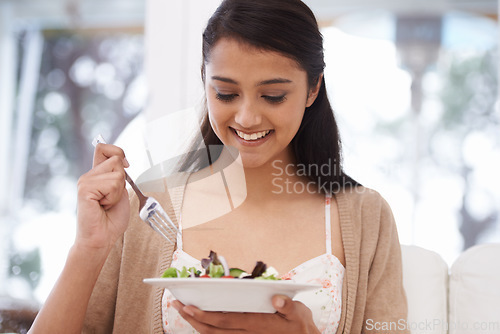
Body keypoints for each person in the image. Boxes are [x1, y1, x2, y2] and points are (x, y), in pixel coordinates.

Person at [29, 0, 409, 333]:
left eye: (273, 96)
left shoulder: (366, 218)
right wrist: (88, 247)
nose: (246, 117)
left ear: (313, 89)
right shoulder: (145, 210)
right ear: (204, 81)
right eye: (225, 93)